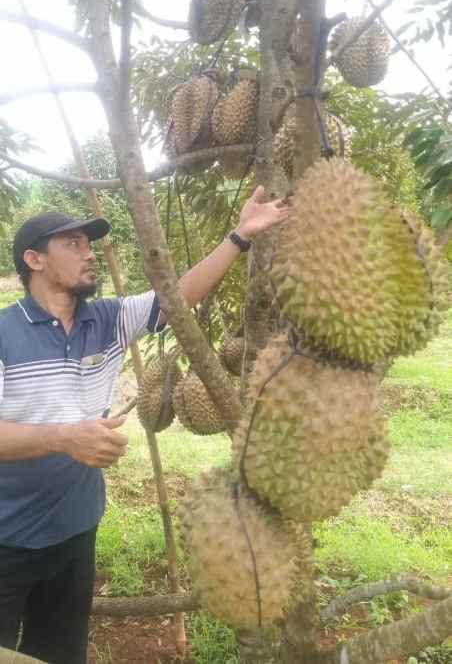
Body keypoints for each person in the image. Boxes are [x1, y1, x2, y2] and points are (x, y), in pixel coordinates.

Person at [0, 185, 289, 664]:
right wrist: (65, 438)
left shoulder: (107, 320)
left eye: (89, 244)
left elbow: (177, 297)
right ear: (33, 259)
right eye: (72, 244)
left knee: (60, 653)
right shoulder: (4, 334)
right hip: (5, 539)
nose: (88, 254)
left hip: (76, 531)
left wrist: (239, 236)